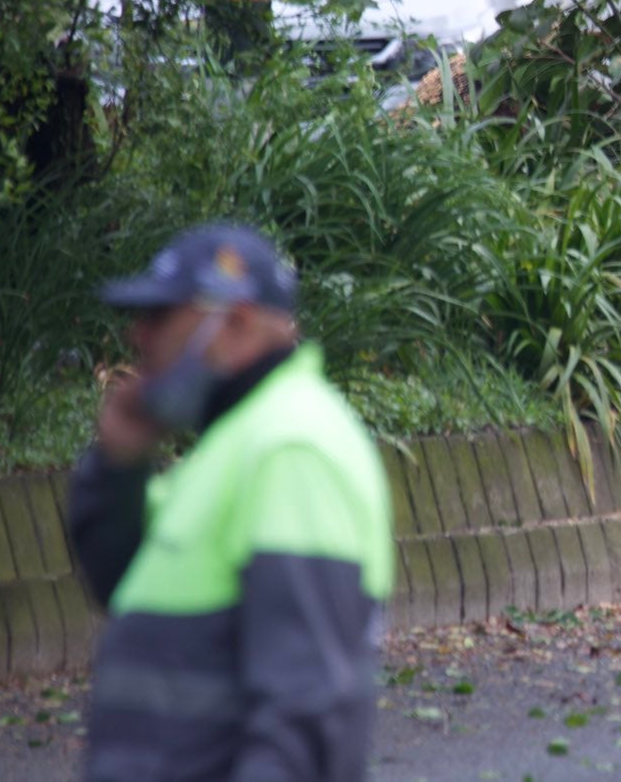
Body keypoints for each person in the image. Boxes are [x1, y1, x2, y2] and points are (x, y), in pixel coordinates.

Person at [69, 224, 393, 782]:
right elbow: (120, 579)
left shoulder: (292, 446)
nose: (137, 337)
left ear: (237, 323)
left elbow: (306, 715)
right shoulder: (233, 447)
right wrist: (119, 464)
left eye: (161, 317)